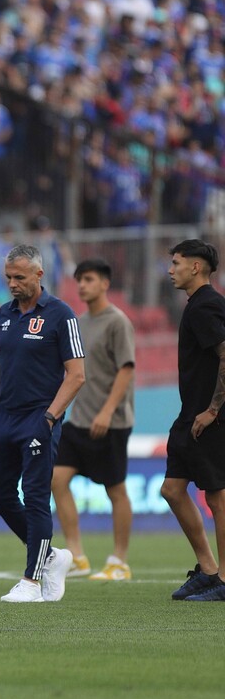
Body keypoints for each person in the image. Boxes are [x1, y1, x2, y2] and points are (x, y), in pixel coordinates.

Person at [0, 244, 86, 603]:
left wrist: (50, 418)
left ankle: (31, 581)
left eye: (20, 277)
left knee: (37, 496)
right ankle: (52, 556)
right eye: (8, 277)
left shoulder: (61, 315)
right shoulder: (3, 315)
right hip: (3, 418)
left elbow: (76, 375)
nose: (12, 283)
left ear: (39, 275)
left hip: (40, 417)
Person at [51, 259, 136, 582]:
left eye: (88, 279)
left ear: (104, 283)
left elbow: (126, 369)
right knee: (56, 479)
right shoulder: (80, 323)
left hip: (110, 422)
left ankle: (119, 561)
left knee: (116, 490)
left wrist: (107, 411)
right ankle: (78, 556)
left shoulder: (118, 322)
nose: (82, 285)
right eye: (79, 280)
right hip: (80, 420)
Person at [162, 240, 225, 601]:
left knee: (218, 498)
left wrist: (214, 410)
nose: (171, 269)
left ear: (196, 267)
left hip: (210, 418)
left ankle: (223, 583)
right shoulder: (198, 306)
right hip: (190, 416)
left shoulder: (206, 307)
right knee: (172, 489)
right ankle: (208, 569)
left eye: (176, 263)